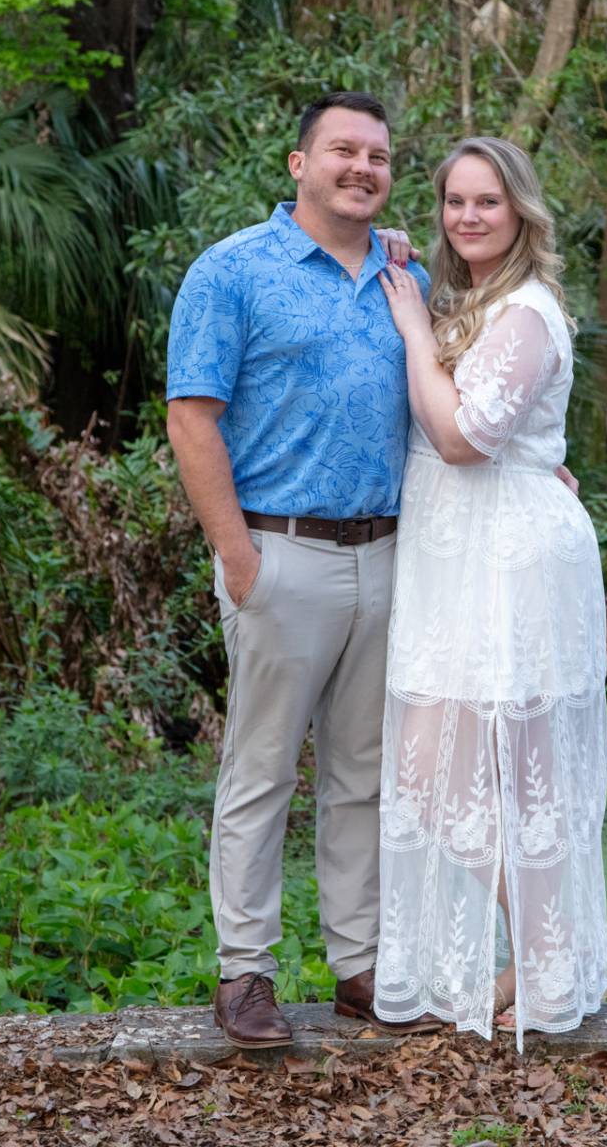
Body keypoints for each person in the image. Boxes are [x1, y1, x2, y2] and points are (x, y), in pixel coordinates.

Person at [164, 91, 446, 1047]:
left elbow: (453, 395)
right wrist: (237, 555)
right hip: (280, 553)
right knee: (261, 771)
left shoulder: (407, 278)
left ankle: (359, 966)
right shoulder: (233, 272)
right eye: (342, 151)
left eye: (378, 155)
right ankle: (244, 971)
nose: (362, 168)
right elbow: (191, 416)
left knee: (366, 773)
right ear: (298, 164)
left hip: (392, 554)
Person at [371, 136, 607, 1049]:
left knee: (497, 769)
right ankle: (548, 946)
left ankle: (548, 953)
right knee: (443, 772)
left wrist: (409, 331)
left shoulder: (527, 310)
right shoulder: (473, 302)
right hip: (457, 552)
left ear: (522, 214)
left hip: (504, 560)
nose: (467, 217)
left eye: (488, 203)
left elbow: (466, 436)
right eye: (454, 202)